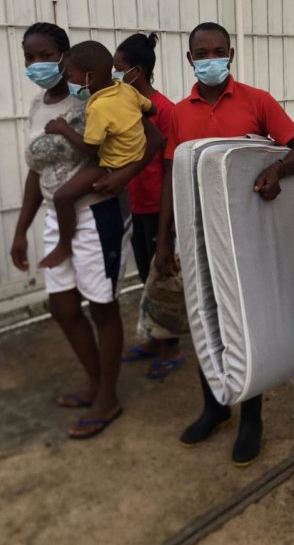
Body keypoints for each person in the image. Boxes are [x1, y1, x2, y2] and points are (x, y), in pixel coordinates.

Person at [154, 21, 294, 466]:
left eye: (218, 50)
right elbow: (172, 176)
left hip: (245, 235)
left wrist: (276, 171)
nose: (210, 58)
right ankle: (214, 408)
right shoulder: (179, 114)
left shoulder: (257, 101)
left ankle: (252, 417)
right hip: (197, 233)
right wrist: (163, 240)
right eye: (201, 52)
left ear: (231, 54)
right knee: (206, 319)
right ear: (190, 59)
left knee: (245, 322)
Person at [11, 23, 163, 439]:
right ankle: (97, 384)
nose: (36, 64)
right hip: (54, 217)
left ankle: (107, 396)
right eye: (29, 57)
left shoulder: (97, 98)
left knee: (101, 306)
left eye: (44, 55)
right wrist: (21, 230)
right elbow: (36, 170)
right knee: (62, 308)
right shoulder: (38, 105)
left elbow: (152, 138)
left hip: (98, 216)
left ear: (65, 56)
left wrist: (122, 178)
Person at [39, 40, 156, 269]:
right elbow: (152, 109)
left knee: (63, 196)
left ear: (89, 79)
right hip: (136, 154)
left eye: (70, 76)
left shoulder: (98, 108)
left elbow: (91, 148)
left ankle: (64, 245)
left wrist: (63, 129)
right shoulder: (126, 90)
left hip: (113, 165)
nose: (68, 81)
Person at [112, 33, 183, 379]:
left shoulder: (165, 111)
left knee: (163, 274)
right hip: (135, 205)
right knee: (145, 274)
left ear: (136, 72)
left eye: (118, 69)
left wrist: (167, 227)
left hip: (159, 207)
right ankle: (156, 339)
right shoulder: (124, 107)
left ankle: (171, 347)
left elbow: (171, 168)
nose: (114, 74)